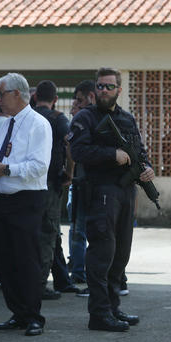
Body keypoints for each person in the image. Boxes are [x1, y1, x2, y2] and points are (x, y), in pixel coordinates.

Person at [69, 67, 154, 332]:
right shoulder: (85, 118)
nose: (104, 90)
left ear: (119, 89)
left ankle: (113, 308)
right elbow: (78, 151)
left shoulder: (127, 119)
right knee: (102, 254)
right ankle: (99, 314)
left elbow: (139, 151)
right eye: (100, 86)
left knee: (121, 254)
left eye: (109, 86)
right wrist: (110, 154)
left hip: (125, 193)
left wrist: (147, 168)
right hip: (101, 192)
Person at [0, 73, 52, 337]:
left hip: (26, 199)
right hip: (1, 199)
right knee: (5, 261)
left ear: (17, 94)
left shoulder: (38, 124)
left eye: (1, 93)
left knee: (27, 260)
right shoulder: (5, 125)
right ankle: (17, 312)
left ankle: (33, 315)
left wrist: (7, 170)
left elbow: (40, 166)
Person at [32, 80, 79, 300]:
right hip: (50, 183)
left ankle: (56, 279)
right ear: (56, 99)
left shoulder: (28, 117)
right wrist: (70, 172)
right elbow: (71, 146)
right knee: (48, 234)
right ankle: (38, 285)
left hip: (28, 183)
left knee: (34, 233)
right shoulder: (58, 119)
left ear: (35, 97)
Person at [67, 80, 95, 290]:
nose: (75, 106)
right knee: (78, 229)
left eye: (79, 100)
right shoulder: (81, 121)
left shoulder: (93, 120)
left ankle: (81, 271)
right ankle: (78, 270)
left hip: (89, 184)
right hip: (81, 183)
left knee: (81, 230)